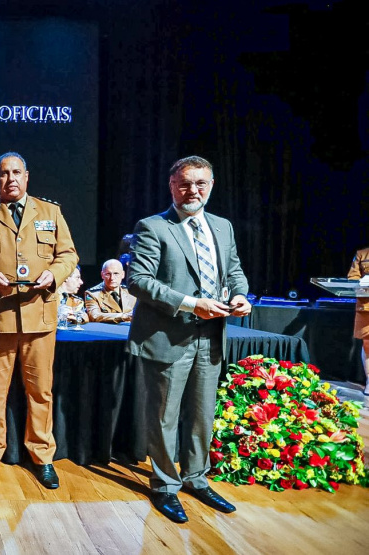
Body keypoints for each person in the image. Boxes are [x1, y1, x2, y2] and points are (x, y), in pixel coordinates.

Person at [127, 155, 251, 523]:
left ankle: (196, 478)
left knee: (202, 416)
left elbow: (234, 271)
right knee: (164, 417)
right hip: (168, 335)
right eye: (184, 183)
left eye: (200, 183)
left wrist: (241, 295)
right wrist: (191, 304)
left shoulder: (223, 226)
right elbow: (139, 281)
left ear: (211, 186)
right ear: (172, 186)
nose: (192, 190)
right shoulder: (153, 227)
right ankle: (165, 485)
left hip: (211, 336)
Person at [0, 152, 78, 489]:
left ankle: (42, 456)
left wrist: (54, 275)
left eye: (15, 172)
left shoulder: (50, 212)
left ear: (27, 176)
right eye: (3, 173)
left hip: (39, 317)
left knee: (40, 392)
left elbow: (68, 255)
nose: (9, 178)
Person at [84, 259, 136, 324]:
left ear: (123, 274)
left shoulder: (131, 292)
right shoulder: (93, 294)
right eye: (108, 274)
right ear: (102, 275)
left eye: (116, 273)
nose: (112, 278)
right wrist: (124, 316)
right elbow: (95, 316)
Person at [348, 247, 369, 395]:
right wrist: (362, 284)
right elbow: (352, 278)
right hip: (366, 306)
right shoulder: (362, 254)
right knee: (367, 343)